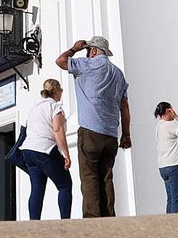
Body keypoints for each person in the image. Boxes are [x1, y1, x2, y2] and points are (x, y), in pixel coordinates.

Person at [55, 36, 130, 217]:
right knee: (106, 178)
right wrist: (126, 134)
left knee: (89, 178)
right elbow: (125, 107)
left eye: (89, 51)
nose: (88, 54)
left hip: (90, 130)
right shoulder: (118, 74)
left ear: (94, 51)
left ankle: (92, 221)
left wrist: (74, 49)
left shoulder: (87, 65)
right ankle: (108, 218)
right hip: (111, 133)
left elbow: (60, 61)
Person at [16, 79, 72, 220]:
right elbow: (58, 130)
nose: (62, 93)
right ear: (56, 91)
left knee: (37, 189)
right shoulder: (54, 107)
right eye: (61, 90)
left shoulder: (34, 108)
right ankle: (66, 222)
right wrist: (66, 153)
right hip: (45, 150)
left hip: (28, 151)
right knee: (65, 185)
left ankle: (34, 223)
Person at [153, 102, 178, 213]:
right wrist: (175, 116)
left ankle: (169, 226)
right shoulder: (169, 124)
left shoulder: (159, 126)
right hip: (176, 165)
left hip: (164, 166)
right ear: (168, 110)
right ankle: (177, 227)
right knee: (177, 201)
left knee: (171, 200)